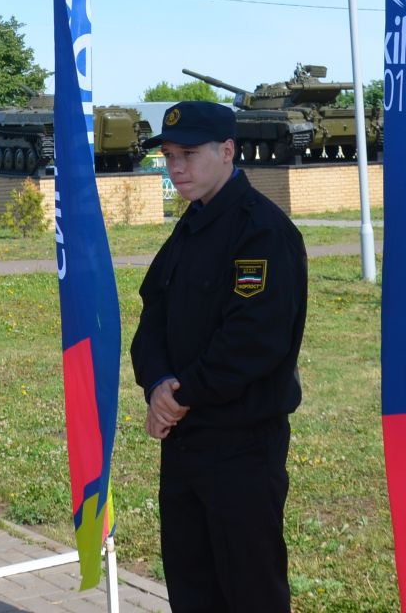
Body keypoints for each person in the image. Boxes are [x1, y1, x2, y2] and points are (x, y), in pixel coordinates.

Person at [129, 99, 308, 611]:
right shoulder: (191, 226)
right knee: (192, 586)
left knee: (249, 589)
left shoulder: (262, 231)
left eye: (188, 153)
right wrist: (157, 381)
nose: (175, 166)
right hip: (185, 442)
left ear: (228, 151)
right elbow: (153, 315)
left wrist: (177, 396)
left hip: (241, 446)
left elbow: (253, 341)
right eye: (167, 155)